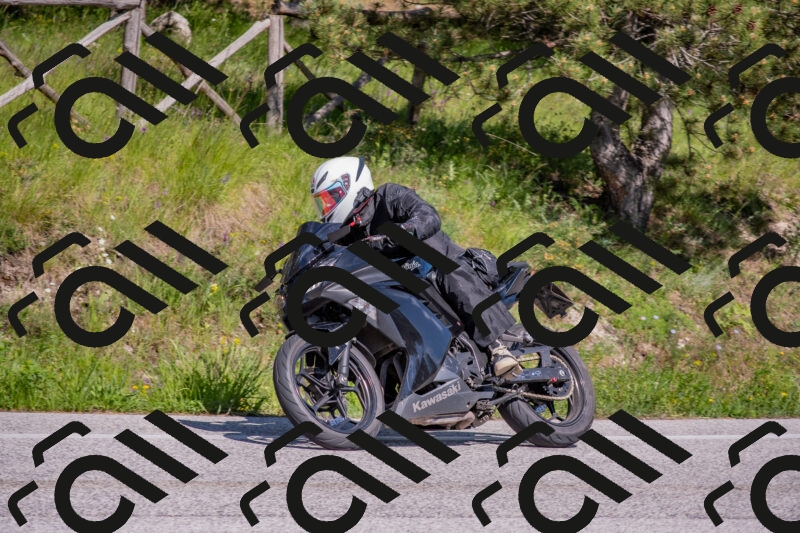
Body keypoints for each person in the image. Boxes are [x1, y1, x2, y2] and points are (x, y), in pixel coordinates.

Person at [309, 156, 522, 380]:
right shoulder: (347, 235)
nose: (326, 208)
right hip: (401, 288)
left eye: (330, 199)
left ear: (349, 186)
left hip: (434, 266)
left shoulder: (388, 197)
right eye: (322, 203)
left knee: (444, 268)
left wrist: (402, 231)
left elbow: (428, 216)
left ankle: (497, 347)